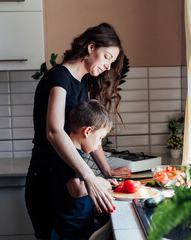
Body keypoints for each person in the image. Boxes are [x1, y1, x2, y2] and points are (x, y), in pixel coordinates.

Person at [25, 22, 131, 240]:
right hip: (46, 181)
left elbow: (91, 134)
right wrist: (90, 177)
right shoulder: (59, 78)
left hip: (64, 179)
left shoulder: (82, 83)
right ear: (91, 47)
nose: (108, 66)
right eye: (106, 57)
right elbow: (54, 132)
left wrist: (107, 172)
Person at [52, 100, 114, 240]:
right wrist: (101, 182)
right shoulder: (69, 156)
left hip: (77, 227)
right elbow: (77, 190)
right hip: (68, 232)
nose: (99, 144)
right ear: (87, 131)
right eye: (100, 138)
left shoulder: (75, 153)